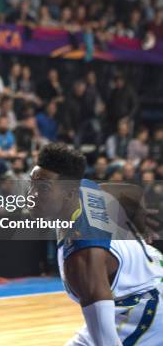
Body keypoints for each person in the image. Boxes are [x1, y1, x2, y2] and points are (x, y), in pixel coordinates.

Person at [29, 143, 163, 345]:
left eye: (44, 188)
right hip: (139, 285)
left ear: (69, 192)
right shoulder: (85, 188)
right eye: (32, 183)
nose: (31, 194)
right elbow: (132, 192)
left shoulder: (82, 258)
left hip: (148, 307)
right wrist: (139, 223)